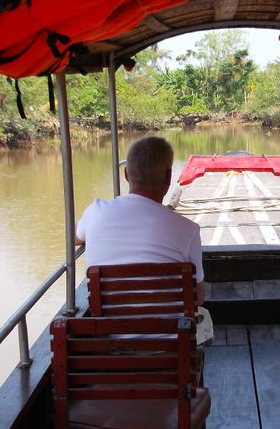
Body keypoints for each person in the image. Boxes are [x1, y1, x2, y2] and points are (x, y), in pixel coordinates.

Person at [75, 135, 212, 342]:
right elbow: (198, 297)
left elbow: (75, 239)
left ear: (126, 174)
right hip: (170, 350)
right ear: (168, 177)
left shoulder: (95, 212)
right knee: (205, 320)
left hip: (111, 347)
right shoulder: (188, 230)